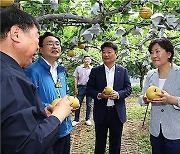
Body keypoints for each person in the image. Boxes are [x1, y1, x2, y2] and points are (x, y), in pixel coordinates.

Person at [0, 7, 73, 154]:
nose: (37, 44)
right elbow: (26, 145)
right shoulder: (11, 77)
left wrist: (39, 112)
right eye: (36, 37)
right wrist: (58, 116)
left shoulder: (8, 71)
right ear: (16, 34)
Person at [24, 32, 72, 154]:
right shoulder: (32, 71)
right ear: (40, 49)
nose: (55, 47)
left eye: (57, 44)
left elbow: (65, 91)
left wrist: (69, 103)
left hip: (65, 127)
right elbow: (28, 99)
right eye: (50, 44)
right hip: (46, 129)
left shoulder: (61, 70)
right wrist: (49, 107)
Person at [86, 41, 132, 154]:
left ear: (116, 54)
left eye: (109, 52)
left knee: (116, 142)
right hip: (101, 112)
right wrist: (100, 95)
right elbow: (89, 89)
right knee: (100, 142)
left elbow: (128, 88)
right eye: (103, 52)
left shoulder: (123, 71)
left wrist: (119, 94)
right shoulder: (96, 71)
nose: (106, 55)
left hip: (117, 113)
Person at [138, 38, 180, 154]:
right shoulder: (151, 75)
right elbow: (141, 98)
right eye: (151, 52)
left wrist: (172, 100)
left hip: (176, 131)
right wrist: (145, 99)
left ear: (169, 54)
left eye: (157, 51)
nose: (154, 55)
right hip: (156, 130)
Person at [72, 56, 93, 126]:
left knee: (89, 104)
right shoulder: (79, 68)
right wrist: (76, 88)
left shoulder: (92, 69)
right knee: (78, 103)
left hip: (90, 88)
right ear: (83, 60)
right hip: (81, 87)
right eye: (86, 59)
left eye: (88, 59)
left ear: (90, 61)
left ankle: (87, 119)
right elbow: (76, 78)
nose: (87, 60)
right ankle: (76, 119)